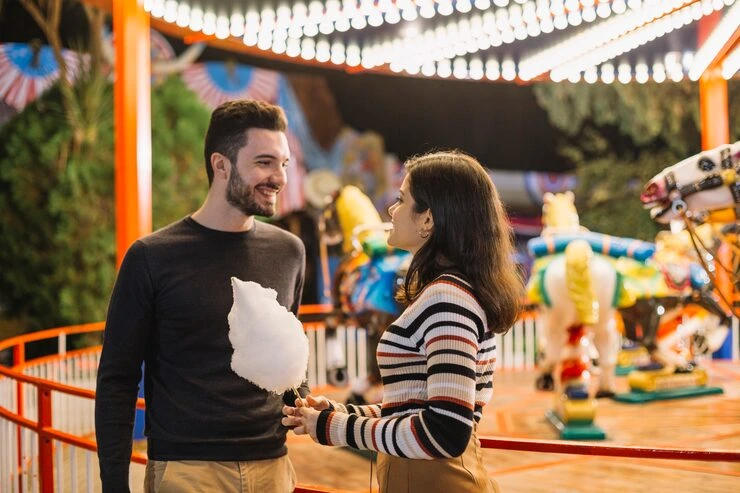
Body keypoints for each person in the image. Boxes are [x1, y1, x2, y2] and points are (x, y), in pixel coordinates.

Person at [96, 99, 307, 493]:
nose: (278, 177)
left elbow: (289, 364)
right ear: (221, 165)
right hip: (186, 469)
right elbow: (117, 380)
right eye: (264, 162)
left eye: (283, 163)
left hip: (273, 465)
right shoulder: (151, 257)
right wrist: (113, 484)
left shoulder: (290, 251)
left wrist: (307, 401)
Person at [283, 150, 522, 493]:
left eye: (401, 200)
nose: (392, 211)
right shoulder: (443, 294)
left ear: (429, 220)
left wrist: (336, 428)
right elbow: (414, 407)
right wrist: (341, 413)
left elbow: (445, 431)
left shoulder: (448, 299)